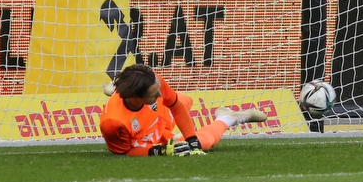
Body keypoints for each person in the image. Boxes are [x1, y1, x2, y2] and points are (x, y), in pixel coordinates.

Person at [99, 64, 268, 156]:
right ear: (136, 96)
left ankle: (116, 86)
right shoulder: (113, 123)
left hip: (156, 117)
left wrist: (191, 138)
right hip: (146, 137)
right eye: (153, 94)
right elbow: (126, 152)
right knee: (204, 144)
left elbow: (176, 106)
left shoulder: (154, 81)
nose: (159, 94)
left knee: (185, 101)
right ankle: (228, 118)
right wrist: (160, 151)